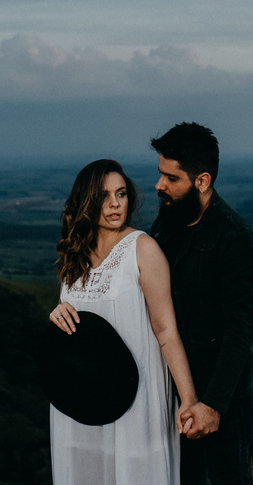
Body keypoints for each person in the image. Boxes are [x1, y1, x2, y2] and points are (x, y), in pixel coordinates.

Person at [48, 159, 199, 485]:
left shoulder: (143, 249)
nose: (115, 204)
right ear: (87, 201)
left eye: (121, 193)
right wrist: (56, 314)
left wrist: (188, 399)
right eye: (104, 196)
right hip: (81, 400)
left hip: (136, 399)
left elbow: (166, 329)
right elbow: (75, 324)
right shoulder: (74, 253)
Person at [148, 123, 253, 485]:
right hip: (167, 392)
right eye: (160, 174)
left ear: (202, 181)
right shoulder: (166, 223)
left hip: (221, 402)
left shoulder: (236, 239)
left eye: (171, 178)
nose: (159, 186)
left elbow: (239, 334)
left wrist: (212, 406)